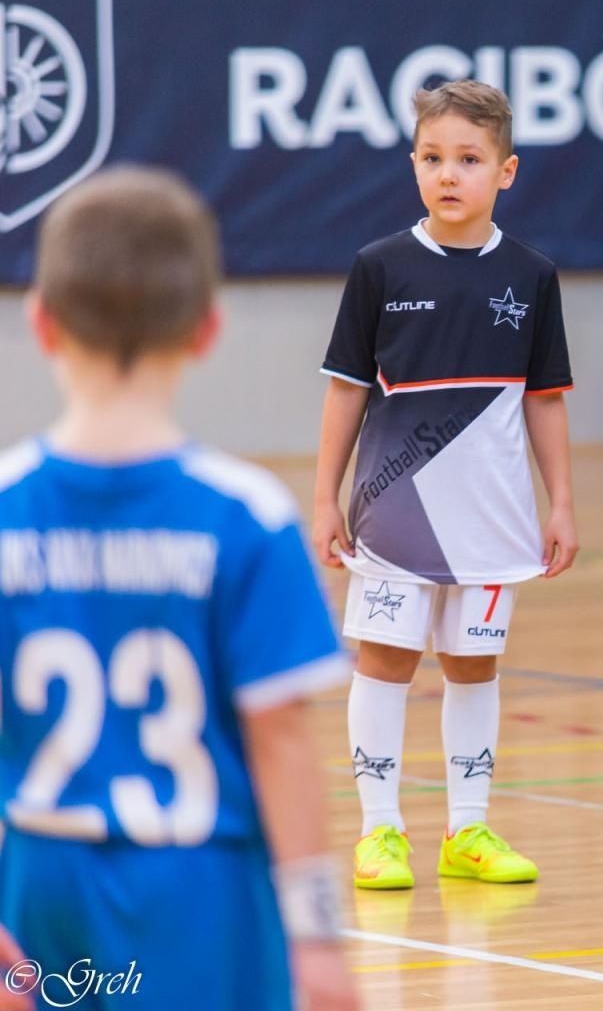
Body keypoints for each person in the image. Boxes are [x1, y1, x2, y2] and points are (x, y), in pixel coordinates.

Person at [0, 166, 358, 1008]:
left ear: (41, 322)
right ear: (207, 329)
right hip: (204, 896)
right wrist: (316, 939)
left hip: (41, 890)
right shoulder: (247, 519)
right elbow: (280, 742)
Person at [312, 79, 577, 892]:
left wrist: (561, 503)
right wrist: (324, 497)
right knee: (385, 660)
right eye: (432, 158)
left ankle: (468, 828)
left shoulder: (532, 276)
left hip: (493, 520)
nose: (448, 174)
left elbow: (545, 399)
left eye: (468, 159)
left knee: (473, 667)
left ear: (506, 171)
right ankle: (380, 831)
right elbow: (346, 390)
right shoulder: (379, 267)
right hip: (391, 516)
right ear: (414, 165)